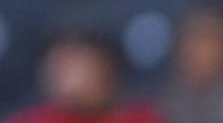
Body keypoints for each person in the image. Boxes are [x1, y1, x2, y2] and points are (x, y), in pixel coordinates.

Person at [3, 31, 161, 123]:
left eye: (81, 66)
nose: (71, 79)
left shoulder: (143, 117)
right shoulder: (30, 120)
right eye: (62, 66)